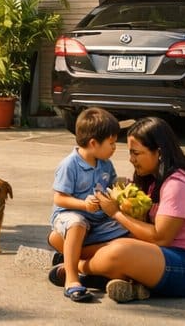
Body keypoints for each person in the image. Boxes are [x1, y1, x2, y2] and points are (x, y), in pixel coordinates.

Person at [85, 117, 185, 303]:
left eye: (136, 153)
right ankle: (134, 287)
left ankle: (78, 270)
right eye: (130, 153)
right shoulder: (151, 179)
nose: (131, 159)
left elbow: (161, 238)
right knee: (100, 245)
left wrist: (116, 213)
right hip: (165, 256)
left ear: (158, 152)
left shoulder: (178, 183)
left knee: (119, 251)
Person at [46, 107, 126, 302]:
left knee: (126, 227)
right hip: (69, 213)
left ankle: (77, 260)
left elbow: (111, 185)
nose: (115, 148)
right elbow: (59, 199)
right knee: (77, 223)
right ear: (93, 143)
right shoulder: (70, 164)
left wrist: (121, 187)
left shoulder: (105, 163)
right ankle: (71, 279)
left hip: (98, 218)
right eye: (111, 143)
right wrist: (83, 204)